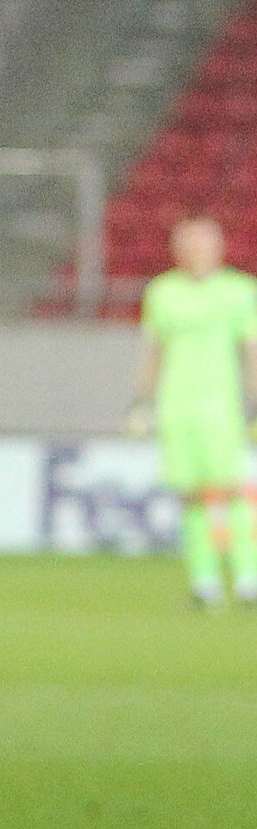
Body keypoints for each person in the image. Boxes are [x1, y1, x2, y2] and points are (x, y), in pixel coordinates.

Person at [129, 214, 257, 606]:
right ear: (178, 251)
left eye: (204, 245)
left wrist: (253, 400)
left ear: (218, 249)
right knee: (190, 496)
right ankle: (205, 584)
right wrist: (142, 401)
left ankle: (248, 578)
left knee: (233, 492)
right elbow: (153, 350)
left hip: (222, 406)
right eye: (189, 245)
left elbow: (250, 349)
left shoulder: (239, 291)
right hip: (176, 408)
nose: (196, 253)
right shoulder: (163, 292)